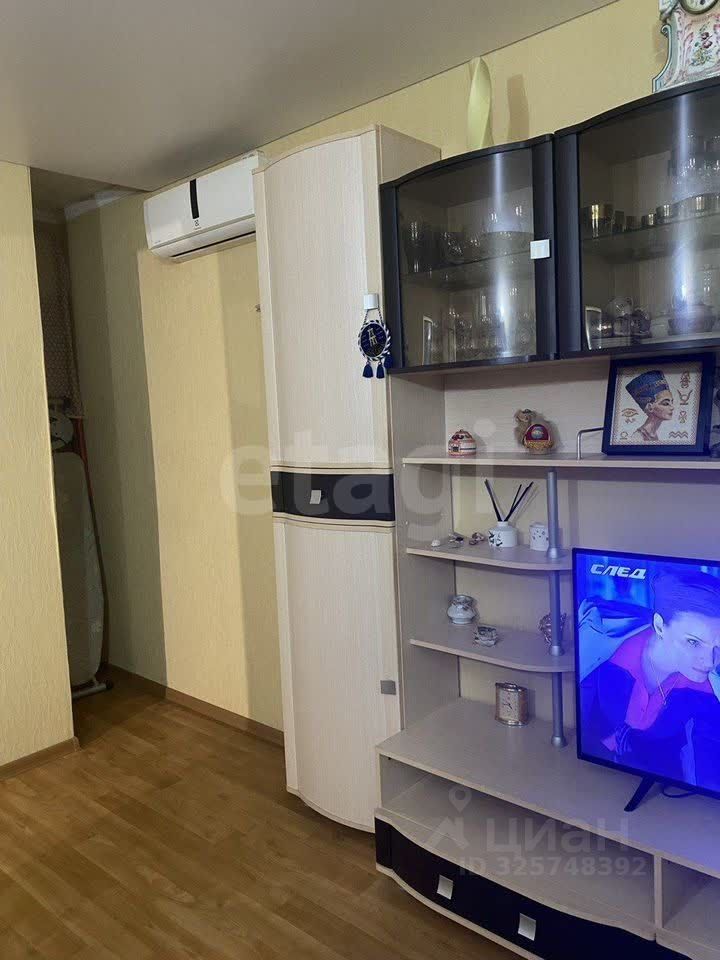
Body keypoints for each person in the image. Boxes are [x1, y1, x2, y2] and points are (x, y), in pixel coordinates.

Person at [580, 571, 720, 789]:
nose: (710, 661)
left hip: (658, 785)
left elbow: (708, 767)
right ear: (660, 626)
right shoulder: (608, 657)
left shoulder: (707, 690)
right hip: (589, 774)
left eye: (718, 647)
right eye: (693, 642)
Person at [625, 370, 675, 443]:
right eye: (665, 403)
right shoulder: (638, 438)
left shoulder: (654, 435)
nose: (672, 407)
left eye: (672, 402)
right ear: (650, 407)